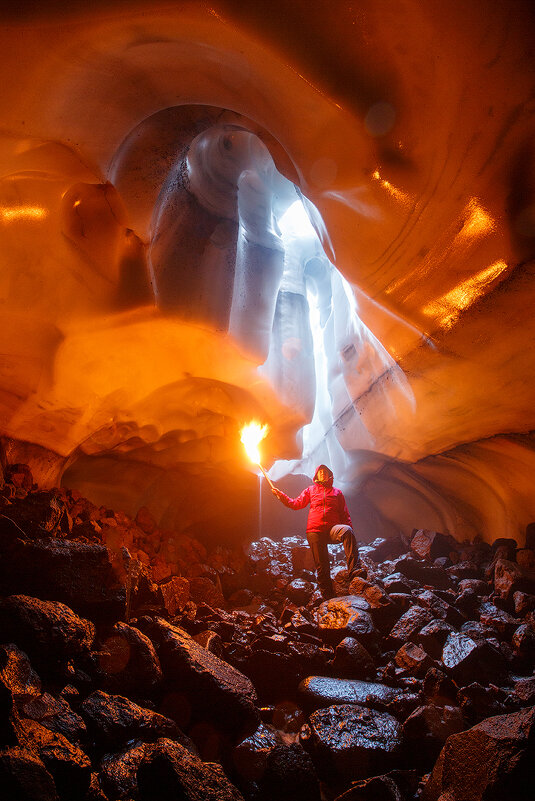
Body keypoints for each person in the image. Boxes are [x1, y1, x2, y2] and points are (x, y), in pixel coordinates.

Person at [271, 464, 360, 600]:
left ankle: (354, 571)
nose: (322, 473)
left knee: (347, 531)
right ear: (316, 475)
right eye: (320, 472)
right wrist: (281, 496)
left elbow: (344, 515)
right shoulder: (310, 490)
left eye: (325, 472)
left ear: (329, 475)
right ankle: (327, 596)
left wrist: (351, 531)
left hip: (332, 529)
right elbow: (296, 504)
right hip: (314, 531)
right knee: (322, 565)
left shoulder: (337, 493)